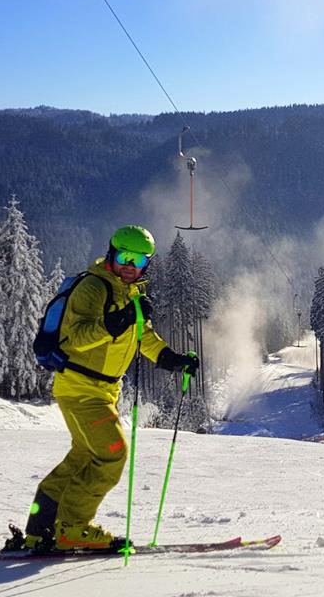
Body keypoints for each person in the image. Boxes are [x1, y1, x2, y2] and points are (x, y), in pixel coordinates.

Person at [21, 225, 200, 552]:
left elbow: (143, 337)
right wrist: (120, 319)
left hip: (101, 390)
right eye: (124, 256)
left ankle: (39, 528)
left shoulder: (130, 294)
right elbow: (76, 336)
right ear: (111, 253)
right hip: (80, 387)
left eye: (139, 260)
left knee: (82, 457)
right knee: (112, 453)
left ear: (147, 264)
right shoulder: (93, 288)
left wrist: (172, 359)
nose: (130, 265)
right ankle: (72, 528)